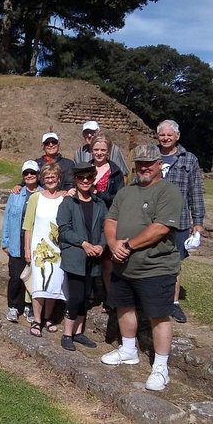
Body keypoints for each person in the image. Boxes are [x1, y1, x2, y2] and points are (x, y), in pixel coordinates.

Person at [101, 144, 183, 392]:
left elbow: (161, 228)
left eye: (149, 163)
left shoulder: (168, 192)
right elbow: (110, 219)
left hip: (155, 266)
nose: (144, 167)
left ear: (159, 164)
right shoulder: (126, 192)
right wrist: (113, 243)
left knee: (158, 314)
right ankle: (128, 349)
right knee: (124, 306)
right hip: (124, 265)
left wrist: (128, 245)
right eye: (140, 163)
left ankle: (160, 366)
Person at [157, 119, 205, 324]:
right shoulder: (150, 155)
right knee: (150, 259)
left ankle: (173, 303)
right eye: (162, 135)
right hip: (152, 218)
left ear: (177, 136)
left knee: (175, 263)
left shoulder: (189, 159)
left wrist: (198, 222)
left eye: (170, 135)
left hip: (180, 220)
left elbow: (195, 192)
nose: (166, 138)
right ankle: (152, 298)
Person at [57, 163, 107, 351]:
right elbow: (64, 229)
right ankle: (67, 334)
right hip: (75, 257)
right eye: (81, 178)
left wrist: (101, 245)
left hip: (93, 257)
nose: (85, 181)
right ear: (76, 180)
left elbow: (105, 227)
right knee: (76, 297)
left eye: (88, 177)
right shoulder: (68, 203)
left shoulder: (99, 204)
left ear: (93, 179)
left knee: (87, 297)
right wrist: (84, 244)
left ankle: (78, 332)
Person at [22, 163, 68, 337]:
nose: (50, 180)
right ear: (43, 179)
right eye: (47, 177)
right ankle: (36, 319)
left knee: (53, 284)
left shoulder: (64, 198)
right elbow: (28, 226)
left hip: (57, 248)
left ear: (58, 178)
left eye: (53, 177)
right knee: (39, 284)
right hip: (38, 248)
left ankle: (48, 317)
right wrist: (27, 248)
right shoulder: (35, 198)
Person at [1, 160, 41, 323]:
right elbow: (7, 217)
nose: (29, 176)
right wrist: (5, 241)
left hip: (36, 240)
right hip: (17, 239)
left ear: (38, 175)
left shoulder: (44, 194)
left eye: (32, 173)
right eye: (26, 173)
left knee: (34, 276)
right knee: (16, 276)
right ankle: (13, 306)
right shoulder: (16, 194)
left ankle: (29, 306)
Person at [88, 133, 125, 311]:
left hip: (108, 217)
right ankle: (90, 295)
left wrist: (98, 194)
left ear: (108, 151)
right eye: (96, 149)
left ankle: (111, 298)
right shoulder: (85, 168)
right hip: (87, 216)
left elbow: (119, 197)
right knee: (88, 256)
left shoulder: (115, 171)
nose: (99, 153)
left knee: (108, 261)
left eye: (103, 150)